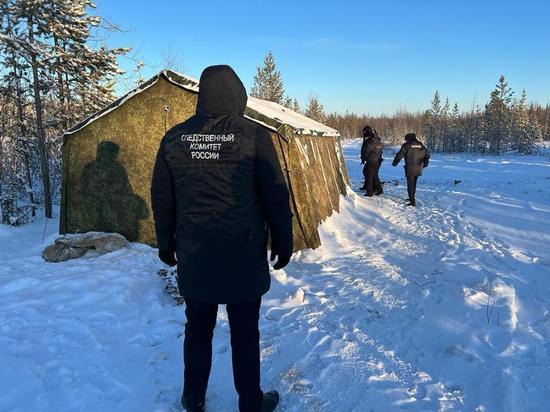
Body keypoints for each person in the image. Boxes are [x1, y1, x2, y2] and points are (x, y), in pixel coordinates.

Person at [151, 65, 293, 412]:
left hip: (195, 253)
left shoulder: (174, 138)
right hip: (242, 254)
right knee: (245, 332)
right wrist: (284, 240)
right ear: (238, 95)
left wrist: (166, 243)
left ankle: (193, 399)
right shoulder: (254, 136)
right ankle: (250, 402)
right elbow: (274, 193)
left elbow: (161, 196)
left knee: (198, 328)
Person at [392, 132, 430, 206]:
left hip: (410, 168)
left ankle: (412, 201)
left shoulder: (406, 145)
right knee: (414, 183)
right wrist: (425, 164)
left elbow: (399, 155)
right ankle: (411, 197)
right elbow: (427, 154)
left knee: (410, 184)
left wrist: (395, 163)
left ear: (408, 138)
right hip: (419, 167)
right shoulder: (420, 144)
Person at [359, 125, 384, 196]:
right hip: (376, 160)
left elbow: (366, 151)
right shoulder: (377, 139)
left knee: (370, 175)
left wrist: (364, 158)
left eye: (364, 133)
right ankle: (378, 189)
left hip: (372, 161)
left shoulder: (370, 142)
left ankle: (370, 191)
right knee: (369, 173)